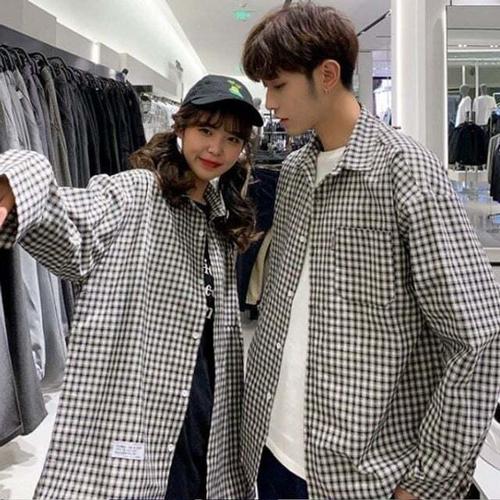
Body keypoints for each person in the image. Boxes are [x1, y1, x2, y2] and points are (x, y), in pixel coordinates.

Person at [240, 2, 500, 499]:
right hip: (273, 451)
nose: (269, 103)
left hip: (365, 474)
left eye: (278, 86)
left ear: (327, 75)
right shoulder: (293, 173)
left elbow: (478, 338)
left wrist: (428, 482)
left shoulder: (405, 170)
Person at [0, 74, 263, 499]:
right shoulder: (139, 192)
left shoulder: (220, 219)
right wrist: (14, 183)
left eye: (232, 139)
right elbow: (74, 220)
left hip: (206, 404)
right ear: (181, 127)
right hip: (139, 405)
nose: (216, 149)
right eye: (206, 130)